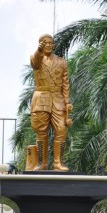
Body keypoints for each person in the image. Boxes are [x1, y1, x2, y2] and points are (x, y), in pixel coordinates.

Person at [28, 33, 73, 172]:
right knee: (41, 132)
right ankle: (42, 163)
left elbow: (65, 84)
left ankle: (58, 163)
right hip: (41, 97)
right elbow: (35, 63)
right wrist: (39, 51)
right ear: (40, 44)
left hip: (58, 99)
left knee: (61, 129)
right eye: (45, 42)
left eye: (50, 43)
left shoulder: (61, 62)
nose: (48, 45)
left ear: (53, 45)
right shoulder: (37, 58)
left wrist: (67, 102)